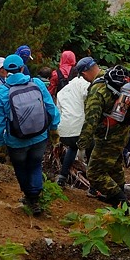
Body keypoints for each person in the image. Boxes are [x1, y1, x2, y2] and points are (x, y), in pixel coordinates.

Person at [0, 54, 60, 215]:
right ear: (23, 67)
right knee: (35, 164)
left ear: (6, 71)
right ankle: (35, 196)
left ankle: (30, 197)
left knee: (20, 167)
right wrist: (54, 128)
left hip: (16, 140)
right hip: (40, 136)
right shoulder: (37, 83)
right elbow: (50, 107)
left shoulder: (2, 91)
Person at [77, 65, 130, 207]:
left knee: (94, 174)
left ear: (85, 73)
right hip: (123, 132)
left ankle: (123, 204)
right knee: (114, 167)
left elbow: (91, 120)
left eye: (83, 76)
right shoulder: (115, 78)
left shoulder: (97, 91)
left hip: (107, 137)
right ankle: (118, 200)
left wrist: (81, 145)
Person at [54, 56, 98, 186]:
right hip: (80, 130)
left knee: (73, 147)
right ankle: (94, 184)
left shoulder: (62, 91)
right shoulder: (84, 84)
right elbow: (90, 99)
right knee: (92, 149)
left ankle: (62, 176)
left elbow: (59, 111)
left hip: (65, 132)